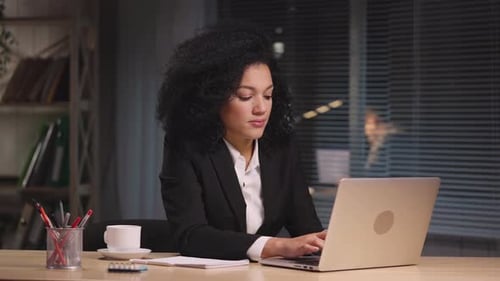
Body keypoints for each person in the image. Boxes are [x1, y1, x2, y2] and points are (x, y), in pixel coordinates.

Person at [156, 23, 325, 261]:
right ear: (211, 98)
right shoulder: (186, 149)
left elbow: (307, 230)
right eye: (246, 96)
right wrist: (276, 246)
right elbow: (191, 236)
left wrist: (324, 243)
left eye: (268, 95)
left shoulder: (281, 148)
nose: (261, 108)